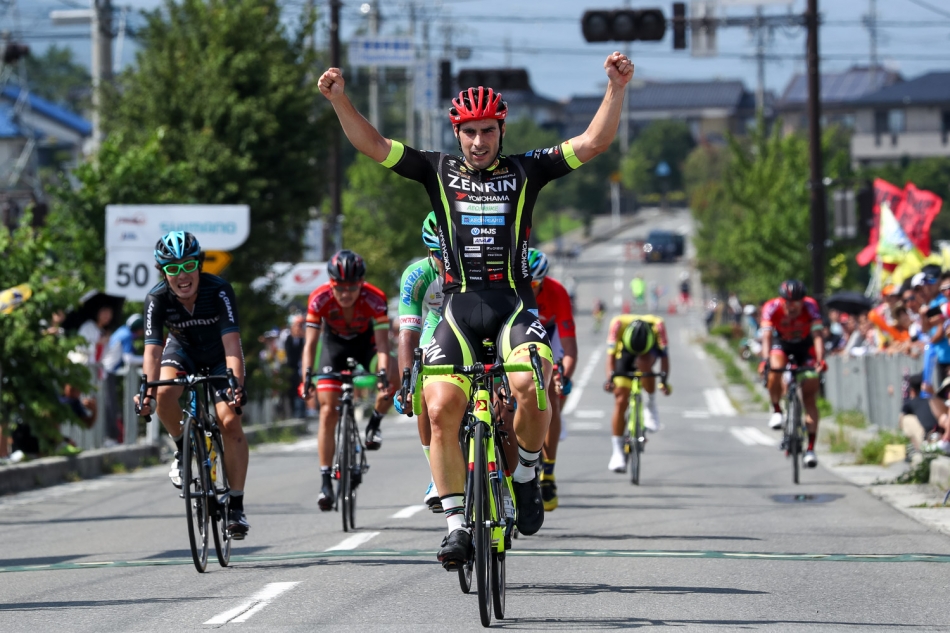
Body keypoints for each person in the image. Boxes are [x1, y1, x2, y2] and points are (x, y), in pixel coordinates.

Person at [318, 51, 634, 566]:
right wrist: (339, 100)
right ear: (457, 133)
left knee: (534, 384)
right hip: (459, 310)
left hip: (513, 306)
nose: (479, 142)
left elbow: (593, 142)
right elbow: (372, 146)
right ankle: (456, 524)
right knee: (440, 407)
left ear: (501, 130)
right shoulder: (436, 171)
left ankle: (528, 473)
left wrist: (615, 90)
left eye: (487, 131)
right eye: (469, 133)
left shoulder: (528, 171)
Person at [134, 231, 250, 538]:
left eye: (187, 266)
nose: (182, 275)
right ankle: (182, 446)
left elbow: (231, 344)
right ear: (164, 273)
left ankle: (236, 506)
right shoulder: (156, 298)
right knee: (163, 395)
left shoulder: (220, 290)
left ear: (199, 265)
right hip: (182, 352)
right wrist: (146, 391)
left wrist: (235, 383)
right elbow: (153, 351)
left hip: (219, 356)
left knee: (229, 420)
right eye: (172, 269)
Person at [300, 249, 395, 511]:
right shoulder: (319, 299)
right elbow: (310, 345)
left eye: (352, 287)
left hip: (368, 345)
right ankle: (325, 480)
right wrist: (307, 376)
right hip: (335, 347)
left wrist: (384, 374)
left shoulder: (375, 299)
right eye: (340, 287)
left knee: (394, 374)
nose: (345, 293)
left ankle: (374, 423)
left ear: (361, 283)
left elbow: (384, 348)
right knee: (328, 410)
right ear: (331, 284)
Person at [396, 212, 445, 512]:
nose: (444, 260)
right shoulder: (417, 275)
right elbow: (408, 332)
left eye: (449, 252)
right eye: (438, 254)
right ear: (429, 251)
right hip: (438, 323)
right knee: (423, 390)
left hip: (474, 325)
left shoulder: (477, 263)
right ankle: (436, 473)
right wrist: (406, 380)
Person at [528, 248, 577, 512]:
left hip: (549, 334)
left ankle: (548, 472)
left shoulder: (557, 293)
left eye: (535, 284)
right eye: (526, 283)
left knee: (552, 395)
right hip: (519, 331)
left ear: (543, 281)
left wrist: (564, 376)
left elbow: (569, 348)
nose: (530, 288)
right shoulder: (512, 289)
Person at [760, 280, 826, 468]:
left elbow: (818, 336)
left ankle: (811, 449)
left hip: (805, 347)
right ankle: (777, 410)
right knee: (774, 368)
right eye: (788, 302)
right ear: (781, 300)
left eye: (796, 302)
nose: (792, 306)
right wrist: (765, 360)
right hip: (783, 344)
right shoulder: (771, 307)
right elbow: (767, 336)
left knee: (810, 396)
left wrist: (820, 360)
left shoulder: (811, 306)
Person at [603, 314, 670, 472]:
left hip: (649, 351)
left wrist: (663, 382)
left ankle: (650, 405)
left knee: (644, 363)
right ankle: (617, 451)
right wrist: (610, 380)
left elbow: (665, 358)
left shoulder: (658, 326)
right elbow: (610, 357)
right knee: (620, 399)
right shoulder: (617, 324)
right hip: (624, 352)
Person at [101, 314, 145, 445]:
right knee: (110, 406)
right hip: (106, 372)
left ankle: (113, 437)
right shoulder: (126, 335)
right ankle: (111, 438)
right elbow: (129, 358)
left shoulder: (122, 331)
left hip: (107, 371)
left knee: (111, 405)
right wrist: (149, 360)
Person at [901, 373, 941, 452]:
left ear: (912, 390)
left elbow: (900, 421)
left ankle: (918, 450)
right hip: (939, 435)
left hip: (926, 439)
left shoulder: (911, 402)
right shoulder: (933, 400)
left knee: (906, 419)